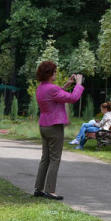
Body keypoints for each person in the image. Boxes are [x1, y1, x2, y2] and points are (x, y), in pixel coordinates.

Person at [33, 60, 83, 201]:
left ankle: (39, 188)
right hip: (54, 126)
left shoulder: (41, 87)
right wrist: (78, 84)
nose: (56, 73)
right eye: (54, 71)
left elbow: (55, 94)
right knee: (55, 159)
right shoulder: (52, 89)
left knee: (45, 158)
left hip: (44, 125)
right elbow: (73, 98)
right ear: (49, 73)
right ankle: (50, 190)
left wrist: (67, 85)